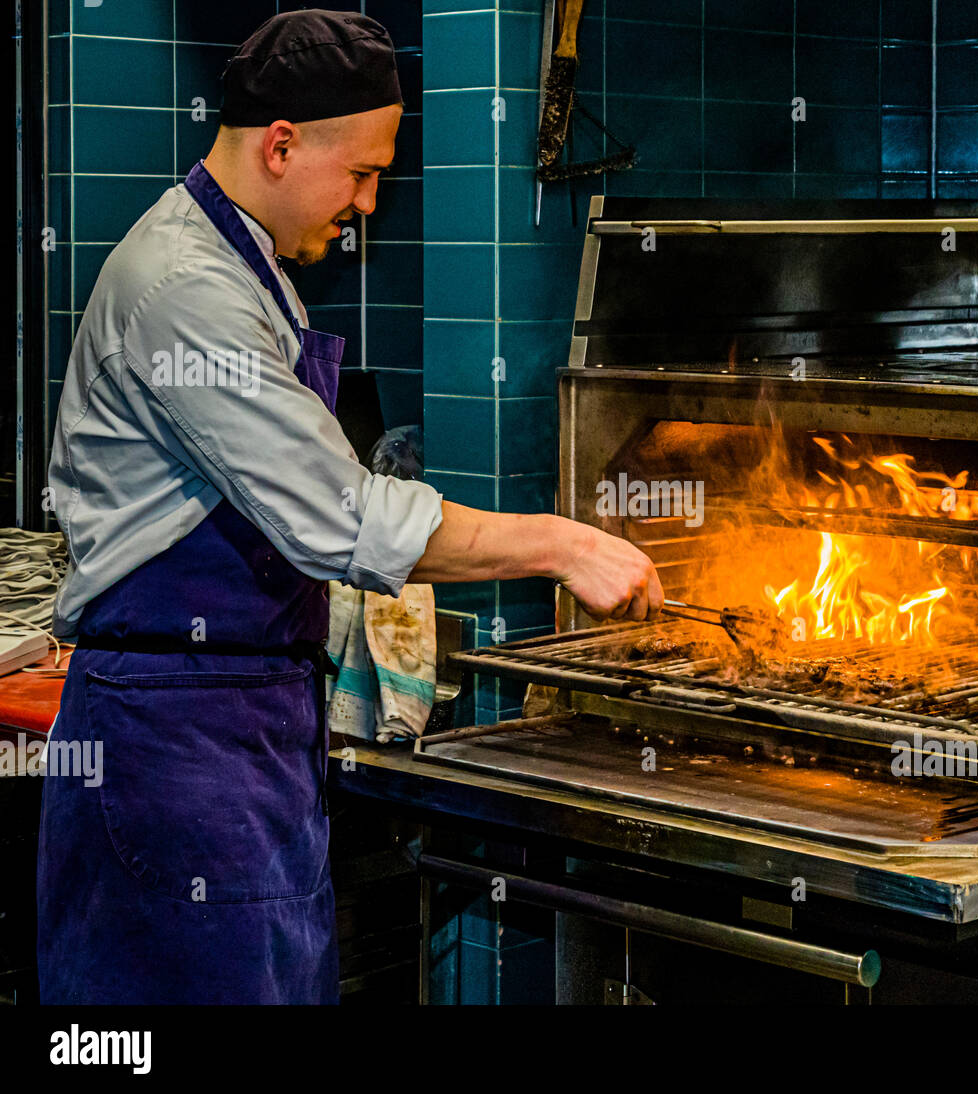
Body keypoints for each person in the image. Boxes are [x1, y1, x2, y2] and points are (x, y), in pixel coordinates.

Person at [36, 8, 661, 1005]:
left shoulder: (245, 268)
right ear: (281, 145)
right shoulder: (185, 289)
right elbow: (340, 519)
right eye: (363, 173)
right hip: (177, 740)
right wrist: (559, 541)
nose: (368, 202)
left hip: (238, 719)